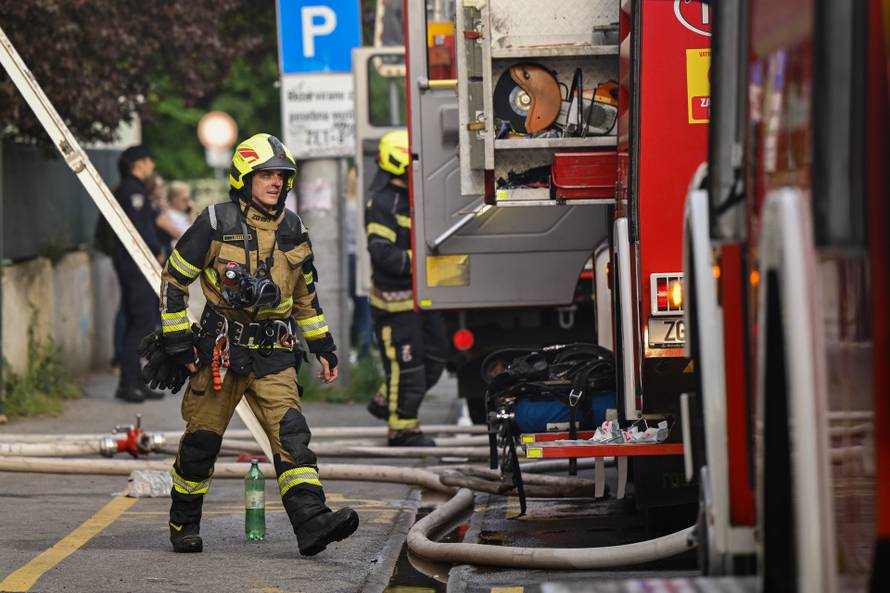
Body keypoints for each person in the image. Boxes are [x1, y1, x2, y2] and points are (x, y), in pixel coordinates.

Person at [152, 133, 358, 555]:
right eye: (266, 175)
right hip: (220, 352)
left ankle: (313, 524)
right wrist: (177, 340)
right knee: (201, 443)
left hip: (274, 353)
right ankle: (183, 523)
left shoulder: (294, 227)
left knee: (293, 437)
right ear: (244, 177)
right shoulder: (215, 222)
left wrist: (323, 344)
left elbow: (306, 296)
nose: (276, 182)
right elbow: (174, 278)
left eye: (282, 175)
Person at [364, 130, 448, 447]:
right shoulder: (383, 203)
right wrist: (423, 262)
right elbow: (382, 253)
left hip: (422, 301)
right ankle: (402, 430)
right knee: (406, 368)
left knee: (437, 359)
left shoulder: (418, 197)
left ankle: (386, 403)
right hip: (394, 308)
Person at [111, 145, 166, 403]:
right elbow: (140, 229)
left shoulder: (132, 189)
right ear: (139, 164)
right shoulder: (132, 191)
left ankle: (136, 382)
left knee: (142, 322)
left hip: (135, 262)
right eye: (149, 161)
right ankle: (128, 383)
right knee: (141, 320)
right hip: (135, 264)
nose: (152, 167)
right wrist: (156, 251)